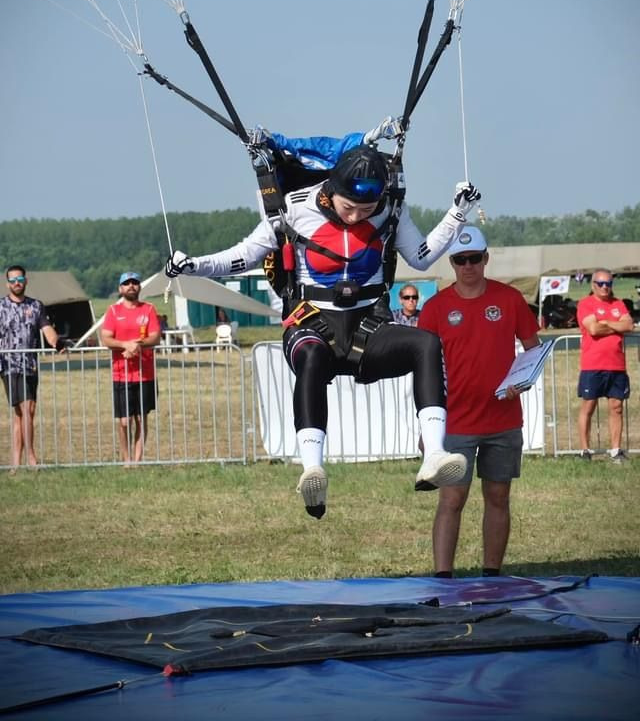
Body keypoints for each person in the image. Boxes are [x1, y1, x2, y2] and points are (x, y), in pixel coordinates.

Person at [166, 143, 482, 519]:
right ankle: (312, 468)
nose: (356, 217)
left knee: (426, 344)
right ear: (331, 192)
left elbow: (422, 255)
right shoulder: (294, 209)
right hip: (310, 323)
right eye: (349, 208)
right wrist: (193, 266)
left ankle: (433, 454)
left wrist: (457, 212)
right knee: (313, 358)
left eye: (366, 211)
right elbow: (244, 255)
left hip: (368, 327)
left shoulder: (391, 211)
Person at [418, 227, 540, 577]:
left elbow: (533, 349)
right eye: (460, 259)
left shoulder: (510, 299)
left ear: (486, 258)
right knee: (451, 500)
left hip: (503, 419)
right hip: (454, 423)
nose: (468, 265)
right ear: (451, 263)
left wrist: (523, 381)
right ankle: (443, 577)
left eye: (474, 258)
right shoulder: (436, 308)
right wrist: (426, 429)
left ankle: (492, 576)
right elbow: (424, 372)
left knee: (498, 498)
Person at [0, 265, 69, 472]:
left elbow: (47, 330)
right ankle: (25, 458)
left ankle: (21, 461)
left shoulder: (36, 306)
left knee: (26, 411)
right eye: (12, 280)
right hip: (9, 365)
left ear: (26, 281)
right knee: (23, 410)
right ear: (7, 284)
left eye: (19, 279)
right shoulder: (1, 306)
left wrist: (58, 344)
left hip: (30, 365)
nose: (16, 283)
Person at [101, 272, 162, 465]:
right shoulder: (113, 311)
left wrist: (136, 344)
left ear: (140, 287)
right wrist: (125, 345)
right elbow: (106, 338)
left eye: (135, 282)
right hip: (121, 374)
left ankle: (137, 461)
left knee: (141, 419)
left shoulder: (149, 309)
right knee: (124, 421)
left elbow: (155, 336)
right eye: (126, 283)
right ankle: (126, 458)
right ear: (120, 288)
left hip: (145, 374)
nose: (131, 286)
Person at [576, 269, 633, 463]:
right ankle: (585, 450)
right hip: (593, 364)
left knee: (616, 407)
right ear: (593, 285)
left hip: (617, 364)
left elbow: (628, 325)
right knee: (589, 406)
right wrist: (615, 324)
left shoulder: (618, 304)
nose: (605, 287)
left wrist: (606, 322)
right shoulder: (586, 304)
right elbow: (592, 328)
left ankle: (615, 450)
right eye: (600, 283)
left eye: (608, 283)